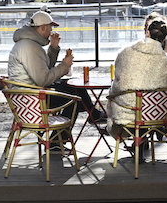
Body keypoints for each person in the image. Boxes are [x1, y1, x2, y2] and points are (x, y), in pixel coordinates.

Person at [6, 11, 103, 150]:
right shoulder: (30, 47)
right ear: (43, 27)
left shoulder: (28, 44)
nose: (52, 31)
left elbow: (44, 69)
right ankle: (58, 140)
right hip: (34, 100)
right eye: (50, 27)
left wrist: (53, 48)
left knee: (72, 89)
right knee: (74, 99)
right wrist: (65, 65)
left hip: (27, 97)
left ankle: (92, 114)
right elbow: (43, 79)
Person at [106, 14, 167, 152]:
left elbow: (117, 81)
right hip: (155, 114)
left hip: (123, 114)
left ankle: (140, 141)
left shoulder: (124, 52)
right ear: (165, 38)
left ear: (146, 32)